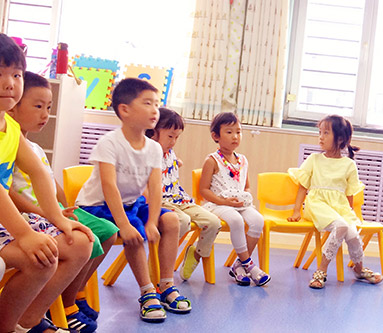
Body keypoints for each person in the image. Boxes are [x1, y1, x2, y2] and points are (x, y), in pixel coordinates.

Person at [8, 71, 119, 332]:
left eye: (48, 107)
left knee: (106, 232)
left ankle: (74, 294)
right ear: (13, 109)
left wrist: (67, 207)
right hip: (31, 216)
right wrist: (47, 213)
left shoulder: (33, 148)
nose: (45, 114)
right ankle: (64, 304)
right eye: (37, 106)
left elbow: (48, 181)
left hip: (50, 212)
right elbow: (9, 193)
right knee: (83, 238)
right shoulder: (11, 145)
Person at [75, 78, 191, 323]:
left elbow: (155, 187)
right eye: (147, 103)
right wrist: (127, 225)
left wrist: (152, 221)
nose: (154, 110)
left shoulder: (154, 148)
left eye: (156, 104)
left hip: (131, 203)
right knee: (135, 231)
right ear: (124, 110)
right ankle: (147, 292)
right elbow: (109, 187)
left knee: (170, 220)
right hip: (97, 206)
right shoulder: (110, 143)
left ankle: (165, 285)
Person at [0, 32, 93, 333]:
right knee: (40, 259)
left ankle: (27, 321)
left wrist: (57, 219)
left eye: (15, 74)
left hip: (6, 222)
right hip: (8, 221)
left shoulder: (9, 126)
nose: (9, 83)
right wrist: (26, 235)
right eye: (0, 74)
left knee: (80, 242)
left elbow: (40, 174)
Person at [287, 114, 383, 289]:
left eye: (326, 133)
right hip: (317, 204)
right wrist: (296, 211)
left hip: (339, 207)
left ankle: (359, 269)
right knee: (341, 226)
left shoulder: (349, 165)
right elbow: (303, 187)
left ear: (340, 139)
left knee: (352, 232)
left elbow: (350, 194)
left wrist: (351, 214)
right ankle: (321, 271)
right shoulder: (314, 159)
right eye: (320, 132)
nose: (320, 137)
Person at [146, 108, 221, 281]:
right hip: (161, 202)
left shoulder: (168, 151)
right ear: (154, 132)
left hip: (180, 199)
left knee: (213, 222)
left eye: (177, 137)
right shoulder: (148, 150)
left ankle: (196, 254)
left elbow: (168, 163)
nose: (173, 142)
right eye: (170, 136)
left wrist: (175, 162)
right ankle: (157, 269)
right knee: (182, 222)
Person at [199, 112, 269, 286]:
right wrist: (225, 202)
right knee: (236, 220)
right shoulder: (212, 160)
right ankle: (250, 265)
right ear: (216, 136)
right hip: (217, 204)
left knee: (258, 220)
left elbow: (246, 186)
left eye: (238, 132)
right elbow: (203, 190)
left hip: (239, 204)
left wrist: (244, 196)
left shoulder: (243, 160)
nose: (235, 136)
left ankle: (239, 265)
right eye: (229, 132)